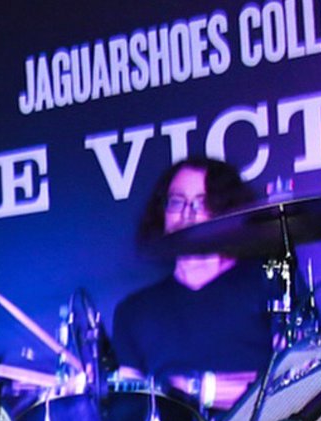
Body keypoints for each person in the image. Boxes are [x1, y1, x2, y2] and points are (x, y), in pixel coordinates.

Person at [112, 156, 276, 403]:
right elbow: (130, 407)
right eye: (177, 202)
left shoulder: (269, 282)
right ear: (162, 212)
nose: (187, 215)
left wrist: (202, 390)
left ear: (227, 211)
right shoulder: (134, 311)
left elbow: (300, 376)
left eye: (202, 203)